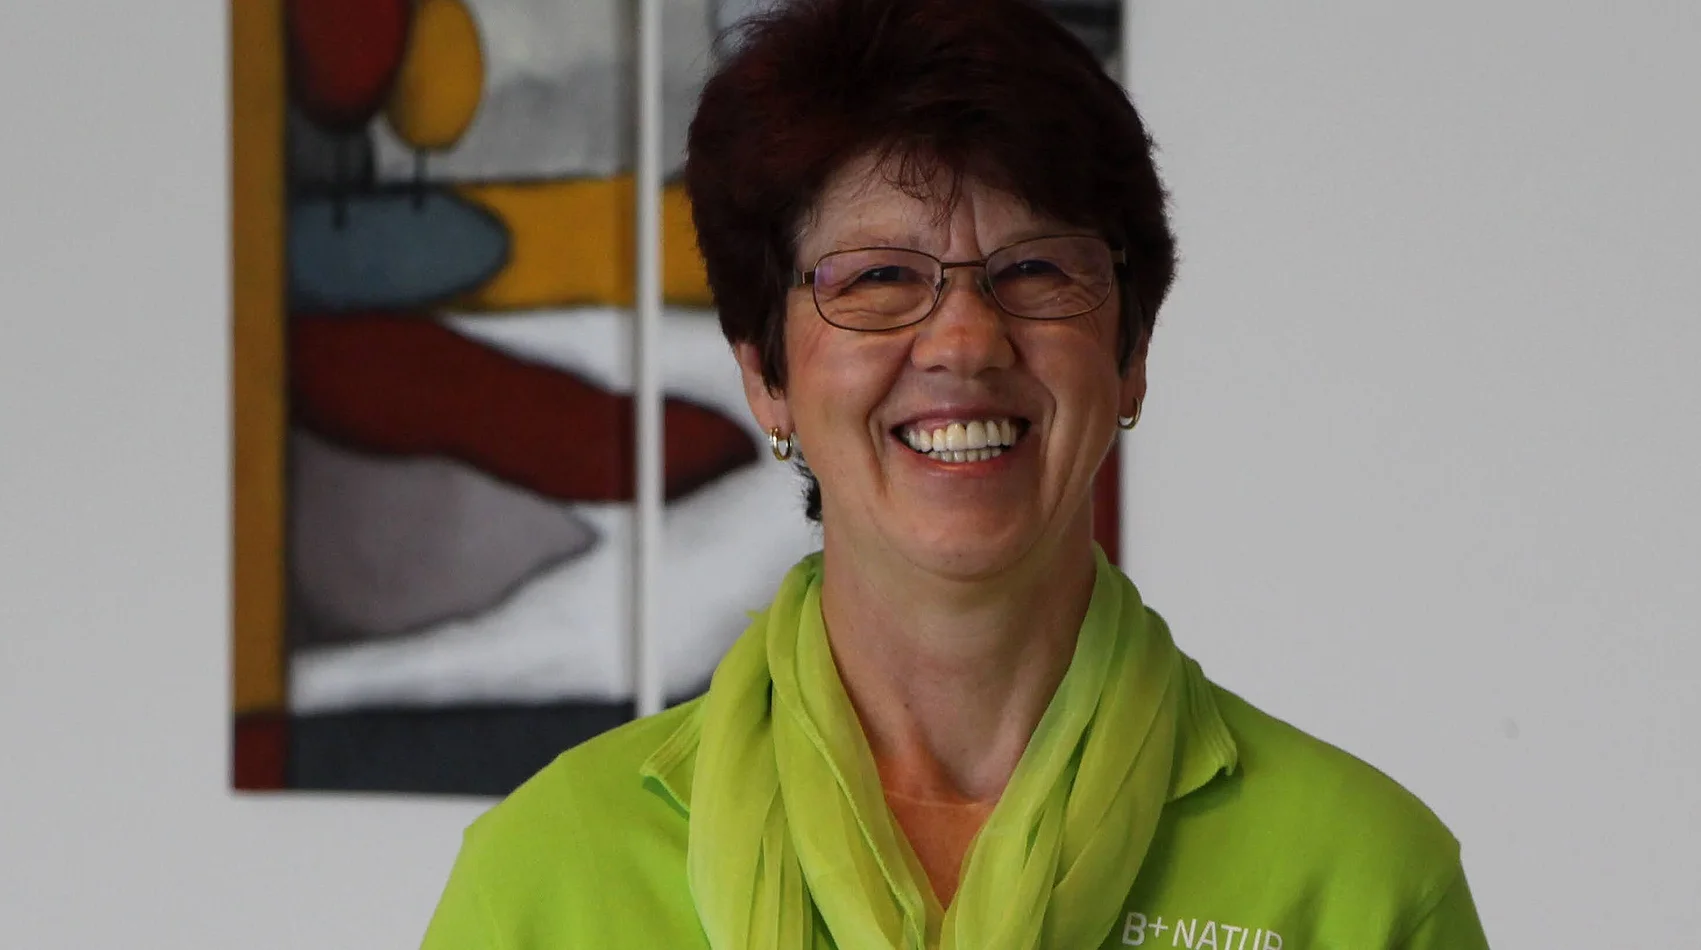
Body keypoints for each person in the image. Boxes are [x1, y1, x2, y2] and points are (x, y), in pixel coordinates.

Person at [420, 0, 1488, 947]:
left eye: (1035, 268)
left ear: (1130, 354)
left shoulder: (1360, 883)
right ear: (767, 376)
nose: (965, 341)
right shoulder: (547, 881)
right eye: (879, 276)